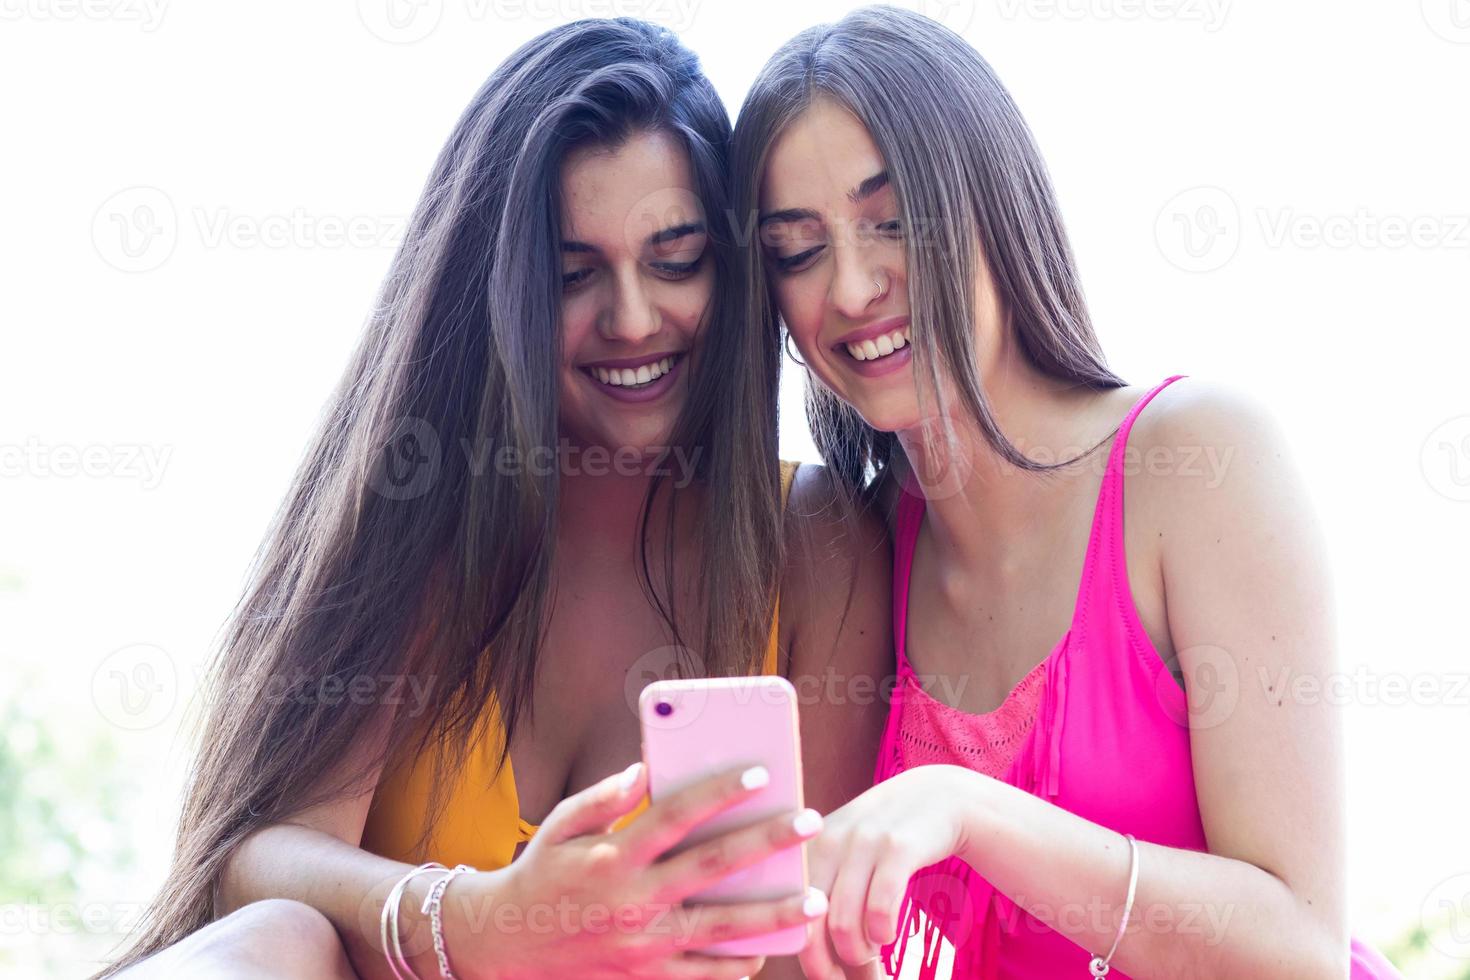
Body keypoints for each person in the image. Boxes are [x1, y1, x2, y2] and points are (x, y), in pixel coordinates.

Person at [100, 18, 889, 980]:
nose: (633, 319)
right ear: (500, 292)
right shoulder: (427, 511)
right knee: (285, 935)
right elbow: (260, 859)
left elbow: (799, 944)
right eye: (571, 274)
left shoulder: (815, 541)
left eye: (675, 261)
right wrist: (476, 919)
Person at [733, 6, 1402, 978]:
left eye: (895, 220)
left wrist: (972, 812)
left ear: (993, 199)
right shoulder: (850, 549)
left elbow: (1297, 948)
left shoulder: (1199, 462)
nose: (851, 286)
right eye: (798, 249)